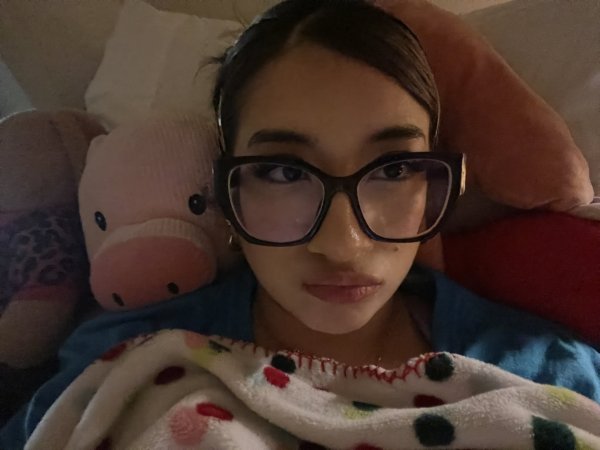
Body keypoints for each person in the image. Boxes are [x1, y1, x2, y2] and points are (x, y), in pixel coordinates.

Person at [2, 0, 598, 447]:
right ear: (227, 189)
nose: (342, 244)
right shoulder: (118, 359)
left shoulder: (555, 371)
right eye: (284, 172)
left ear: (432, 182)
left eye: (392, 169)